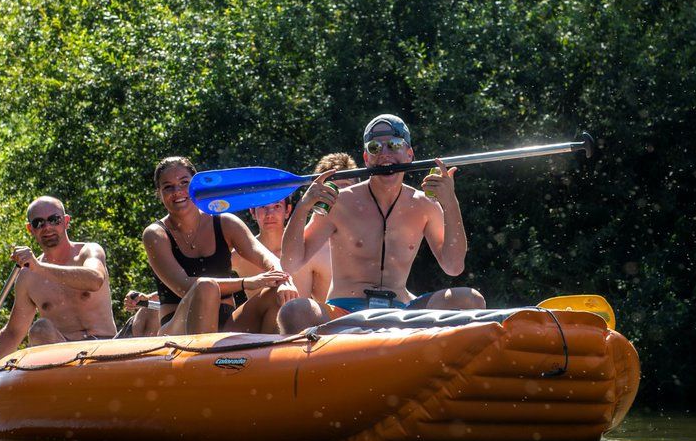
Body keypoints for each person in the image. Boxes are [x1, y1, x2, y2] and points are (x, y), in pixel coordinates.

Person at [278, 114, 485, 333]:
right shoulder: (339, 202)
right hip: (344, 312)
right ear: (366, 158)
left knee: (470, 300)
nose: (385, 154)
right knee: (294, 311)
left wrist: (450, 201)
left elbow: (453, 266)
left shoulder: (425, 205)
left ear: (409, 154)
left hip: (402, 311)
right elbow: (290, 263)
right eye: (375, 147)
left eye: (394, 145)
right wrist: (303, 205)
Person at [0, 196, 115, 390]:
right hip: (65, 358)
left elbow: (95, 279)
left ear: (66, 221)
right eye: (38, 223)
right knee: (40, 329)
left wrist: (39, 267)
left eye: (54, 220)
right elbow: (13, 333)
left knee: (149, 313)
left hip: (108, 349)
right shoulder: (28, 277)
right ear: (31, 229)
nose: (47, 227)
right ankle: (60, 395)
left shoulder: (89, 251)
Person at [143, 156, 299, 336]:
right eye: (168, 187)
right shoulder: (155, 234)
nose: (177, 191)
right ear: (160, 193)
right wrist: (247, 283)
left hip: (226, 323)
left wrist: (284, 281)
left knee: (275, 294)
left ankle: (269, 359)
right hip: (177, 328)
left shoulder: (226, 222)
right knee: (205, 286)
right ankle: (201, 361)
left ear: (196, 186)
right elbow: (184, 286)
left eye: (184, 183)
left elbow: (265, 255)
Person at [233, 153, 359, 304]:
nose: (337, 196)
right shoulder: (307, 249)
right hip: (334, 322)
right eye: (332, 189)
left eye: (345, 188)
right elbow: (296, 307)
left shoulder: (379, 226)